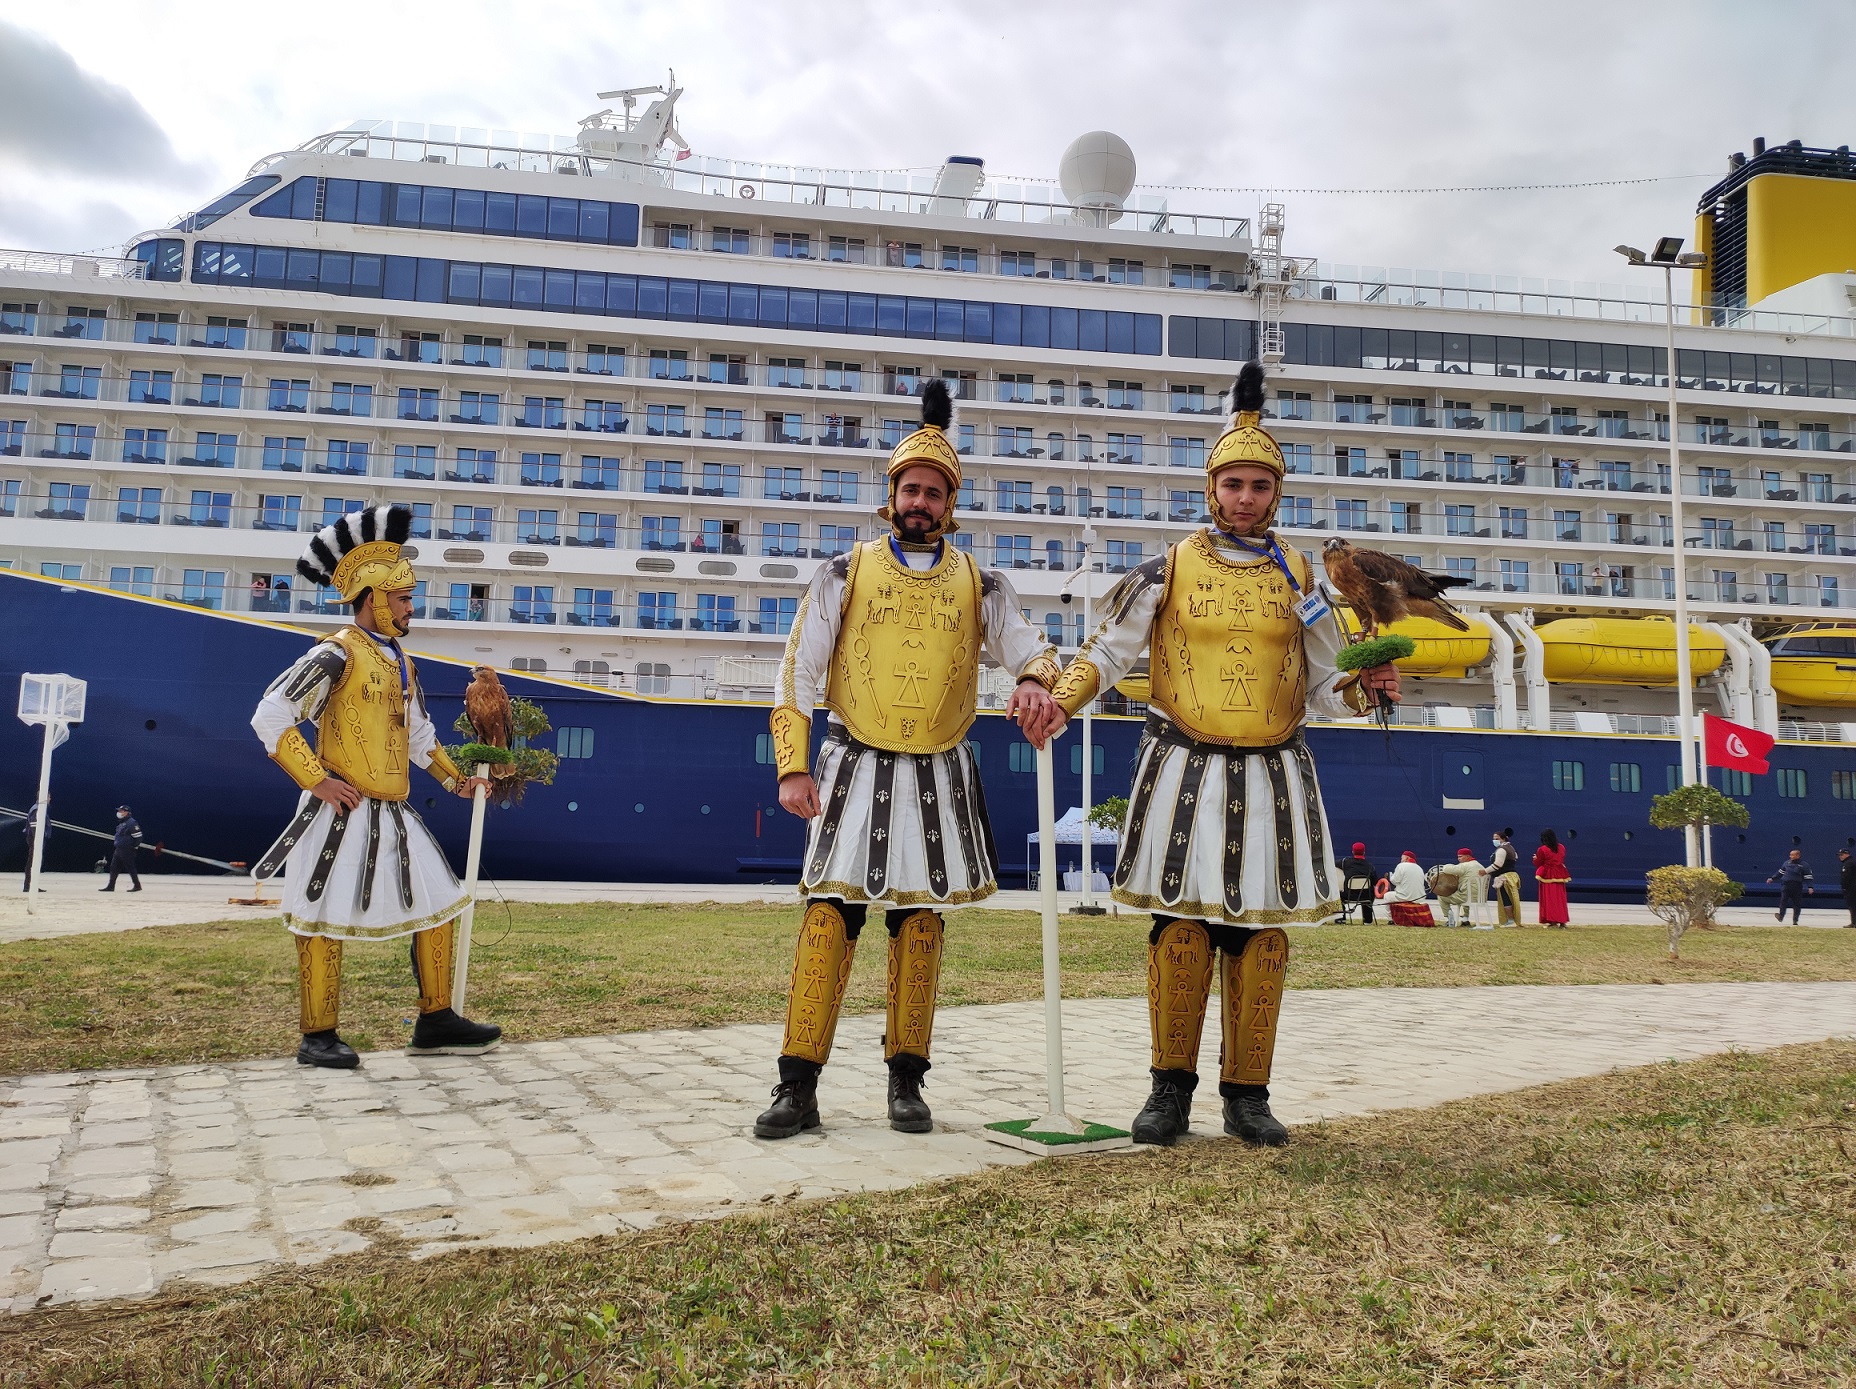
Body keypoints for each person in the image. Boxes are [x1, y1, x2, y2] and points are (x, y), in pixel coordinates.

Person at [1045, 361, 1398, 1148]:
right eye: (1233, 484)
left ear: (1278, 495)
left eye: (1260, 486)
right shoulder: (1170, 565)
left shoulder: (1300, 574)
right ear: (1213, 490)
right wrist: (1057, 702)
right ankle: (1168, 1089)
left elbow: (1322, 685)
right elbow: (1106, 652)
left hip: (1274, 770)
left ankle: (1249, 1094)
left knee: (1259, 933)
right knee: (1182, 927)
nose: (1246, 498)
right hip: (1183, 766)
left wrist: (1365, 690)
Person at [756, 381, 1062, 1140]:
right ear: (890, 494)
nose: (920, 500)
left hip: (936, 772)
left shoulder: (981, 583)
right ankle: (797, 1082)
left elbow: (1032, 648)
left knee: (920, 925)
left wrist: (1029, 679)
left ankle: (906, 1080)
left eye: (933, 491)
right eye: (909, 488)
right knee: (829, 915)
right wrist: (792, 766)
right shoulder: (844, 570)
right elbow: (798, 670)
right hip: (854, 764)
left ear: (950, 502)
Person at [250, 505, 501, 1069]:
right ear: (371, 597)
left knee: (440, 904)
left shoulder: (400, 660)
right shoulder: (335, 653)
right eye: (403, 599)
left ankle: (435, 1020)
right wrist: (317, 781)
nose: (411, 608)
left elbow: (417, 735)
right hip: (342, 810)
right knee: (321, 914)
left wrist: (455, 780)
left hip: (394, 808)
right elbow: (271, 715)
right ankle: (317, 1035)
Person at [1382, 851, 1434, 927]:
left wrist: (1392, 876)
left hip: (1404, 897)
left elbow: (1394, 881)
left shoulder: (1401, 866)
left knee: (1387, 896)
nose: (1400, 860)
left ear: (1406, 858)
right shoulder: (1419, 868)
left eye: (1401, 858)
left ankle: (1390, 920)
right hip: (1419, 898)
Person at [100, 806, 143, 892]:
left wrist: (134, 847)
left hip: (127, 849)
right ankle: (111, 886)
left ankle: (137, 885)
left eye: (121, 811)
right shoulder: (122, 823)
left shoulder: (131, 823)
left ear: (127, 812)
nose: (119, 812)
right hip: (119, 849)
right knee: (114, 867)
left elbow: (138, 837)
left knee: (130, 867)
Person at [1767, 848, 1814, 924]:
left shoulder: (1804, 865)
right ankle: (1781, 916)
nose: (1790, 856)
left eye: (1792, 855)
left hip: (1797, 886)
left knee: (1796, 904)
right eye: (1790, 855)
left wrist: (1810, 887)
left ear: (1798, 855)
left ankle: (1795, 920)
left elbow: (1808, 877)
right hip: (1786, 885)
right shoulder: (1786, 863)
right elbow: (1780, 872)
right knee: (1783, 901)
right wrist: (1772, 878)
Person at [1534, 830, 1570, 928]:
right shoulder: (1561, 847)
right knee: (1560, 899)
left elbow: (1539, 862)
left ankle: (1552, 921)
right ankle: (1562, 921)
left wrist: (1535, 858)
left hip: (1547, 875)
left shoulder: (1543, 849)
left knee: (1549, 898)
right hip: (1559, 873)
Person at [1488, 828, 1523, 927]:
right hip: (1509, 876)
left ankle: (1511, 920)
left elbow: (1498, 865)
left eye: (1496, 838)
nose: (1494, 840)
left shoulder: (1502, 849)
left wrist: (1485, 871)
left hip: (1504, 877)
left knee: (1505, 898)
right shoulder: (1510, 848)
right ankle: (1512, 919)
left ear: (1503, 839)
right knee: (1510, 898)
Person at [1337, 841, 1377, 923]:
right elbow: (1375, 881)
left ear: (1352, 851)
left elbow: (1334, 863)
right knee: (1370, 892)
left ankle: (1341, 918)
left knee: (1338, 894)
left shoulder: (1345, 862)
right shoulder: (1370, 866)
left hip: (1349, 894)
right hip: (1365, 896)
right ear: (1364, 852)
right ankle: (1367, 920)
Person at [1840, 848, 1856, 928]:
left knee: (1852, 905)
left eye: (1842, 855)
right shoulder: (1852, 862)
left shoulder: (1849, 863)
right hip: (1852, 888)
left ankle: (1854, 923)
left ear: (1847, 854)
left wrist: (1845, 887)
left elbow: (1847, 877)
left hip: (1851, 889)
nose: (1840, 857)